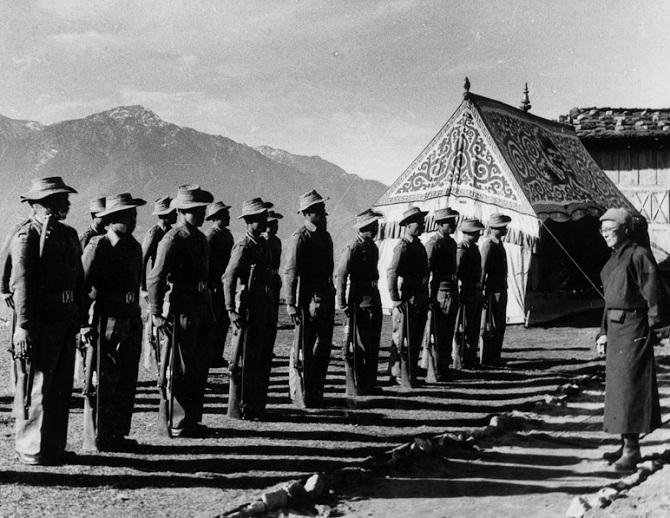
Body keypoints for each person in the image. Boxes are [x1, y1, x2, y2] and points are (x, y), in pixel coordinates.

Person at [9, 177, 85, 465]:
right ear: (42, 205)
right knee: (36, 386)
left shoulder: (67, 235)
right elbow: (23, 284)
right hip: (41, 323)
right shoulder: (26, 237)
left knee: (60, 387)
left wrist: (78, 315)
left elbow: (79, 278)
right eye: (59, 200)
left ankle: (53, 446)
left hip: (65, 320)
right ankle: (31, 447)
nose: (66, 204)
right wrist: (23, 326)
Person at [596, 207, 669, 471]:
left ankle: (632, 449)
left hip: (635, 330)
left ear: (625, 230)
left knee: (631, 388)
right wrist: (602, 331)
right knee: (617, 390)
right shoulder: (614, 258)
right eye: (602, 231)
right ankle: (624, 441)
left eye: (610, 230)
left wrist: (656, 328)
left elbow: (654, 296)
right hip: (616, 330)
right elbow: (609, 300)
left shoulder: (639, 255)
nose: (605, 235)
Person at [147, 184, 214, 437]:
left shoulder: (199, 237)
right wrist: (156, 312)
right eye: (196, 209)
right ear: (183, 211)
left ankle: (192, 419)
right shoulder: (173, 238)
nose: (202, 213)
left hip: (201, 305)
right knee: (182, 367)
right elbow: (157, 276)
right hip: (183, 307)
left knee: (199, 365)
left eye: (203, 209)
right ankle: (178, 421)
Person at [80, 193, 145, 451]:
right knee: (104, 377)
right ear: (112, 219)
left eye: (134, 215)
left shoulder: (134, 246)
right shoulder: (99, 246)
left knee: (127, 377)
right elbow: (82, 287)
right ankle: (100, 435)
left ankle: (118, 433)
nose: (133, 219)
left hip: (130, 316)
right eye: (127, 215)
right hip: (106, 318)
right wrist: (84, 324)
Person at [223, 198, 274, 419]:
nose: (265, 221)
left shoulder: (263, 245)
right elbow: (229, 278)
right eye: (260, 218)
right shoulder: (243, 246)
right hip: (248, 308)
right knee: (245, 358)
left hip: (263, 306)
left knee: (260, 357)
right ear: (250, 221)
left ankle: (255, 404)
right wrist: (230, 309)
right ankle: (242, 405)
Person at [284, 190, 335, 408]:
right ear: (308, 214)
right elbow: (291, 272)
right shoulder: (300, 238)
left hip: (325, 298)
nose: (324, 213)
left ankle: (316, 392)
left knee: (322, 348)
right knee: (302, 348)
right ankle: (299, 393)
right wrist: (290, 303)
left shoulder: (325, 236)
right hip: (307, 300)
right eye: (319, 210)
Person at [336, 209, 384, 395]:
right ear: (366, 227)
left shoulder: (373, 247)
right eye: (374, 226)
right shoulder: (353, 248)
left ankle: (369, 383)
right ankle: (359, 384)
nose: (377, 228)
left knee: (373, 343)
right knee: (361, 345)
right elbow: (341, 275)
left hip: (373, 297)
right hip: (359, 300)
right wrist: (341, 302)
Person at [387, 206, 429, 388]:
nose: (422, 225)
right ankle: (396, 373)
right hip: (408, 297)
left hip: (420, 296)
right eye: (418, 222)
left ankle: (409, 371)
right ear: (407, 225)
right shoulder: (402, 247)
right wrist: (395, 298)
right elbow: (392, 272)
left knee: (415, 337)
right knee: (401, 337)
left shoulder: (418, 245)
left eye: (422, 221)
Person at [140, 196, 176, 371]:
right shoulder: (154, 233)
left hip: (168, 285)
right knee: (155, 327)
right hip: (157, 285)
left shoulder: (171, 232)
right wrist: (143, 288)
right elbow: (143, 260)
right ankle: (158, 365)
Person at [424, 207, 459, 381]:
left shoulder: (451, 243)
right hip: (440, 293)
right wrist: (430, 296)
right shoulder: (433, 243)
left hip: (452, 291)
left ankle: (444, 367)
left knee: (448, 333)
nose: (453, 225)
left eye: (453, 221)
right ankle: (436, 370)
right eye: (449, 222)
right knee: (438, 333)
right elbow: (426, 271)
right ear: (439, 224)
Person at [480, 213, 512, 367]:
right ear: (494, 229)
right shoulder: (488, 245)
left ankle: (495, 356)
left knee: (500, 325)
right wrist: (481, 291)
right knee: (490, 326)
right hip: (493, 290)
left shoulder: (499, 244)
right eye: (502, 227)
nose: (505, 229)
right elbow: (483, 269)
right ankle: (488, 358)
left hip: (501, 288)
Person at [205, 201, 234, 369]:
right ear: (216, 218)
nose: (228, 217)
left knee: (223, 322)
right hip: (214, 285)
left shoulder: (227, 235)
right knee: (213, 321)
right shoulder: (211, 236)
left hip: (224, 284)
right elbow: (206, 263)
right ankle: (209, 356)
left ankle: (217, 355)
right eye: (225, 215)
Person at [455, 218, 485, 369]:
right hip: (466, 292)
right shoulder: (462, 249)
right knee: (464, 329)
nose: (479, 235)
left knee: (473, 328)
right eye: (476, 233)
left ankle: (471, 358)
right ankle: (462, 359)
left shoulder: (473, 248)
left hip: (475, 292)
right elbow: (457, 272)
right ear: (468, 233)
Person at [263, 207, 283, 347]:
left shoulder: (277, 241)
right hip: (264, 281)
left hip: (274, 280)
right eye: (272, 224)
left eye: (276, 224)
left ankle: (269, 347)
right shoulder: (262, 241)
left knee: (273, 317)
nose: (275, 227)